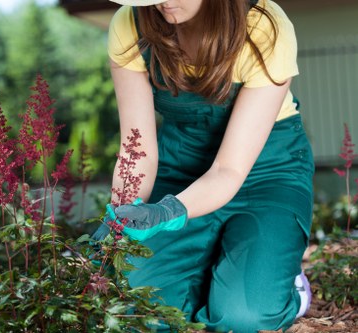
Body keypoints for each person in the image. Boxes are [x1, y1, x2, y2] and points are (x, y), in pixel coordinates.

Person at [93, 0, 314, 332]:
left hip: (266, 173)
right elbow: (136, 149)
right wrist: (123, 215)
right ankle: (216, 265)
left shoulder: (263, 27)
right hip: (179, 167)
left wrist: (165, 213)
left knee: (244, 318)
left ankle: (287, 286)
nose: (162, 2)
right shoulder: (130, 24)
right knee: (142, 311)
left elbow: (228, 169)